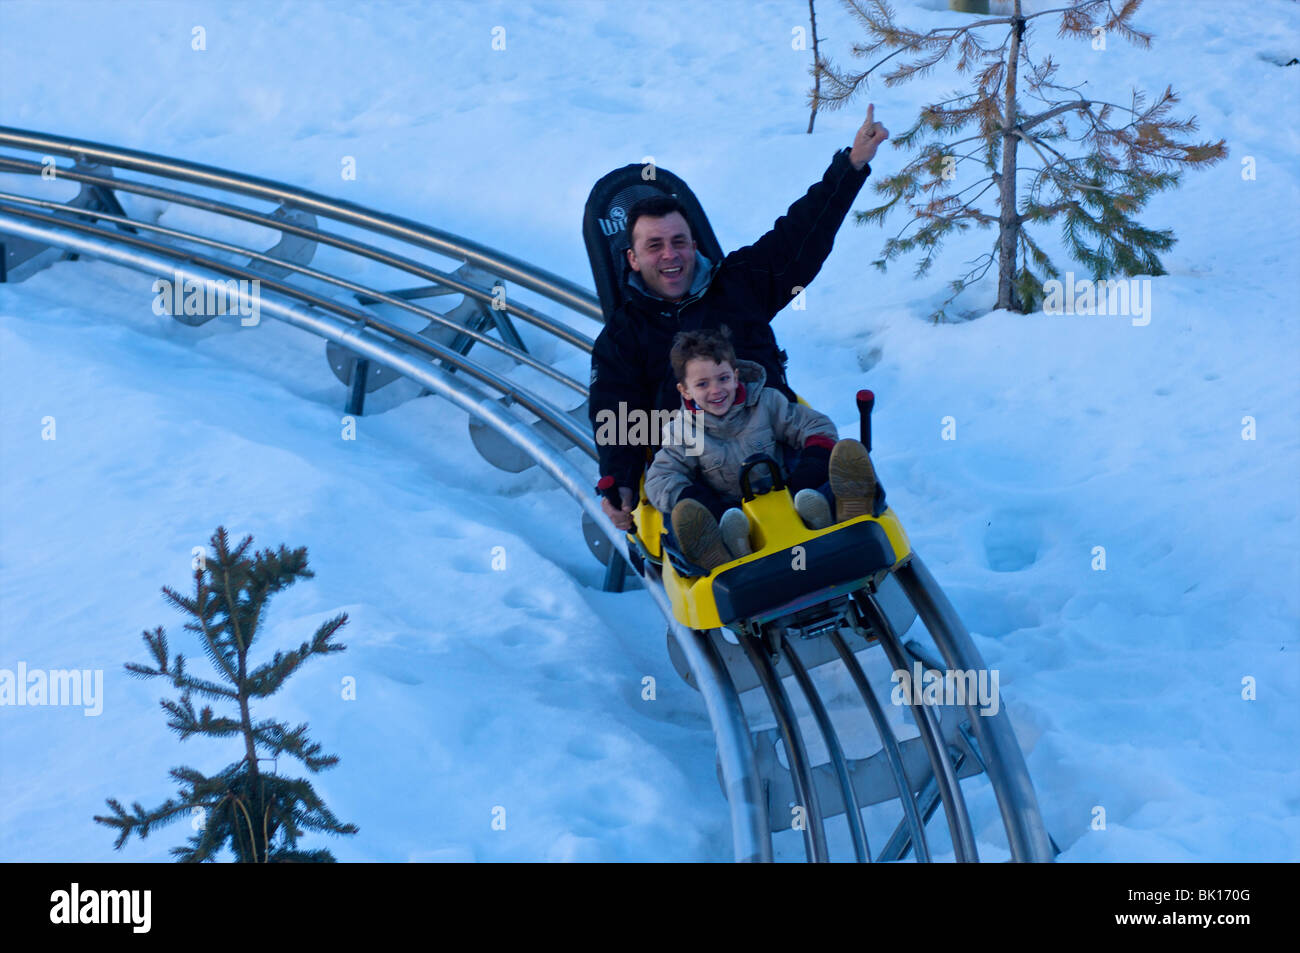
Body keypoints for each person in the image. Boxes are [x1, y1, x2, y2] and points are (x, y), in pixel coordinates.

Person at [591, 105, 890, 531]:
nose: (670, 255)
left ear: (695, 244)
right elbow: (616, 411)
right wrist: (619, 481)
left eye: (679, 241)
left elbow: (801, 235)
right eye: (654, 246)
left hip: (771, 437)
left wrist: (853, 164)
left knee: (816, 446)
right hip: (696, 464)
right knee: (687, 499)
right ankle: (719, 535)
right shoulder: (622, 337)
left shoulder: (739, 283)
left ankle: (828, 504)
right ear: (633, 259)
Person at [645, 327, 878, 571]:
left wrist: (809, 473)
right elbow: (661, 478)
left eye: (723, 378)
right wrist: (707, 506)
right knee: (680, 521)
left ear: (735, 376)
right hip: (733, 516)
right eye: (702, 384)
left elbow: (814, 425)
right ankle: (721, 555)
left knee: (833, 470)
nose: (716, 390)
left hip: (794, 496)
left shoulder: (766, 402)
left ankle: (844, 515)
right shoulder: (682, 432)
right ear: (685, 390)